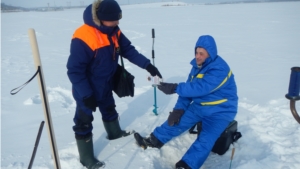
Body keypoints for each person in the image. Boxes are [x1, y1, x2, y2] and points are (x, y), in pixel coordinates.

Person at [66, 0, 162, 168]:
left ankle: (114, 133)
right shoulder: (83, 37)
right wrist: (86, 94)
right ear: (102, 18)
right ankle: (86, 158)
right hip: (86, 89)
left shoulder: (114, 31)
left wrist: (148, 65)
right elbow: (74, 70)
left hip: (105, 83)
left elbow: (128, 50)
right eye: (114, 19)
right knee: (84, 120)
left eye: (118, 19)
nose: (117, 23)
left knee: (109, 107)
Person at [136, 35, 238, 169]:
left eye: (201, 53)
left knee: (205, 139)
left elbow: (200, 88)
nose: (198, 56)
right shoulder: (197, 66)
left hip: (220, 110)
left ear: (210, 54)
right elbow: (189, 91)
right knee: (176, 121)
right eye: (196, 52)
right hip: (200, 106)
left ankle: (186, 165)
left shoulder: (220, 69)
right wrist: (179, 110)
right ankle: (153, 140)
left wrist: (175, 88)